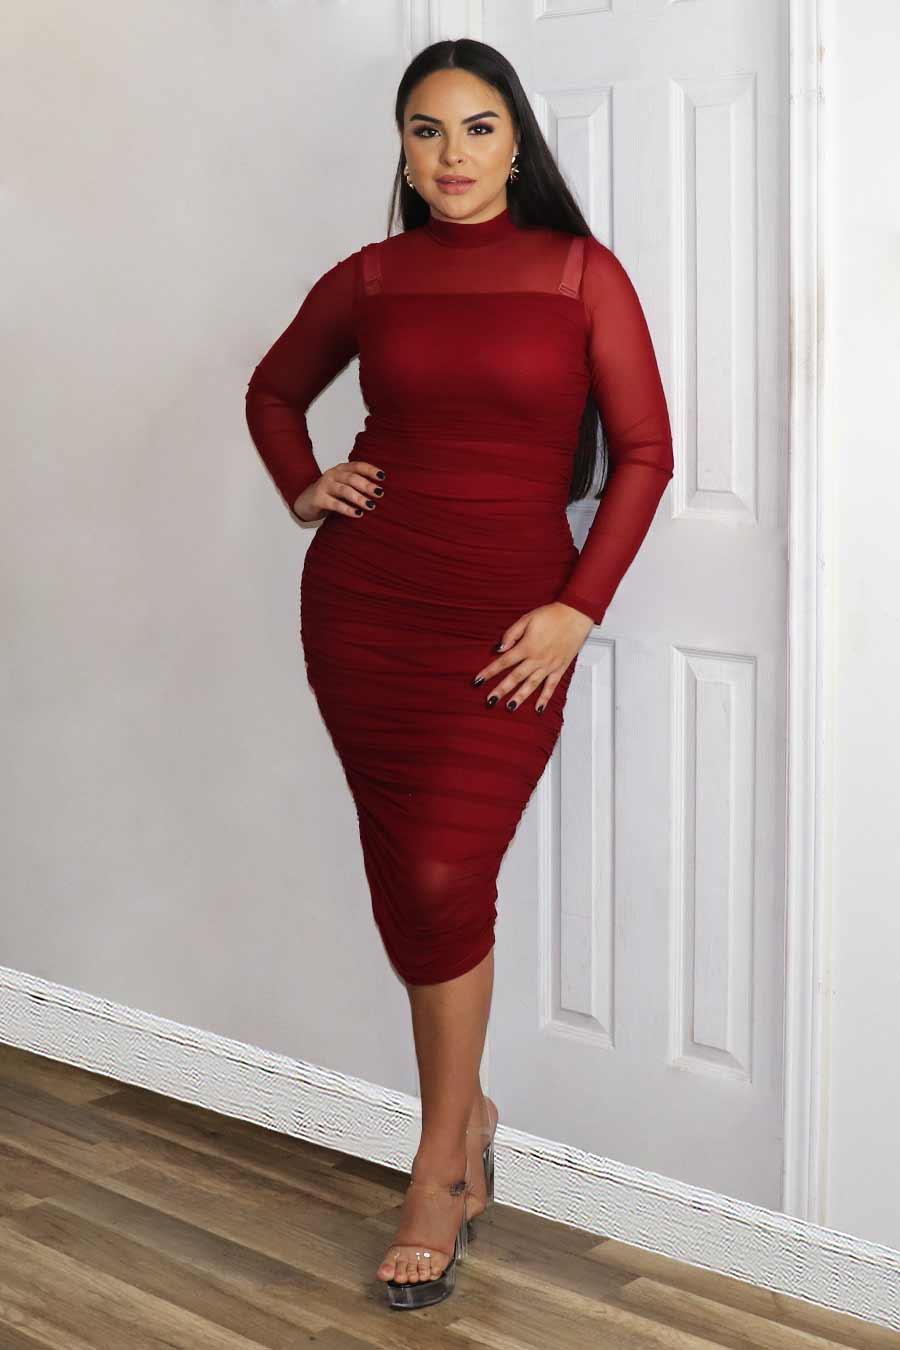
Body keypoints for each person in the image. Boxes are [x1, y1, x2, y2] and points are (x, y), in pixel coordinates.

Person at [245, 37, 673, 1311]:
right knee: (414, 878)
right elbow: (273, 391)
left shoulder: (582, 273)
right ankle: (459, 1129)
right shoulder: (373, 277)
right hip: (366, 609)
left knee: (439, 874)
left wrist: (578, 609)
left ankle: (442, 1161)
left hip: (507, 629)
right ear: (402, 145)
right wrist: (305, 486)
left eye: (478, 128)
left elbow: (646, 454)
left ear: (517, 140)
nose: (451, 155)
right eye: (425, 130)